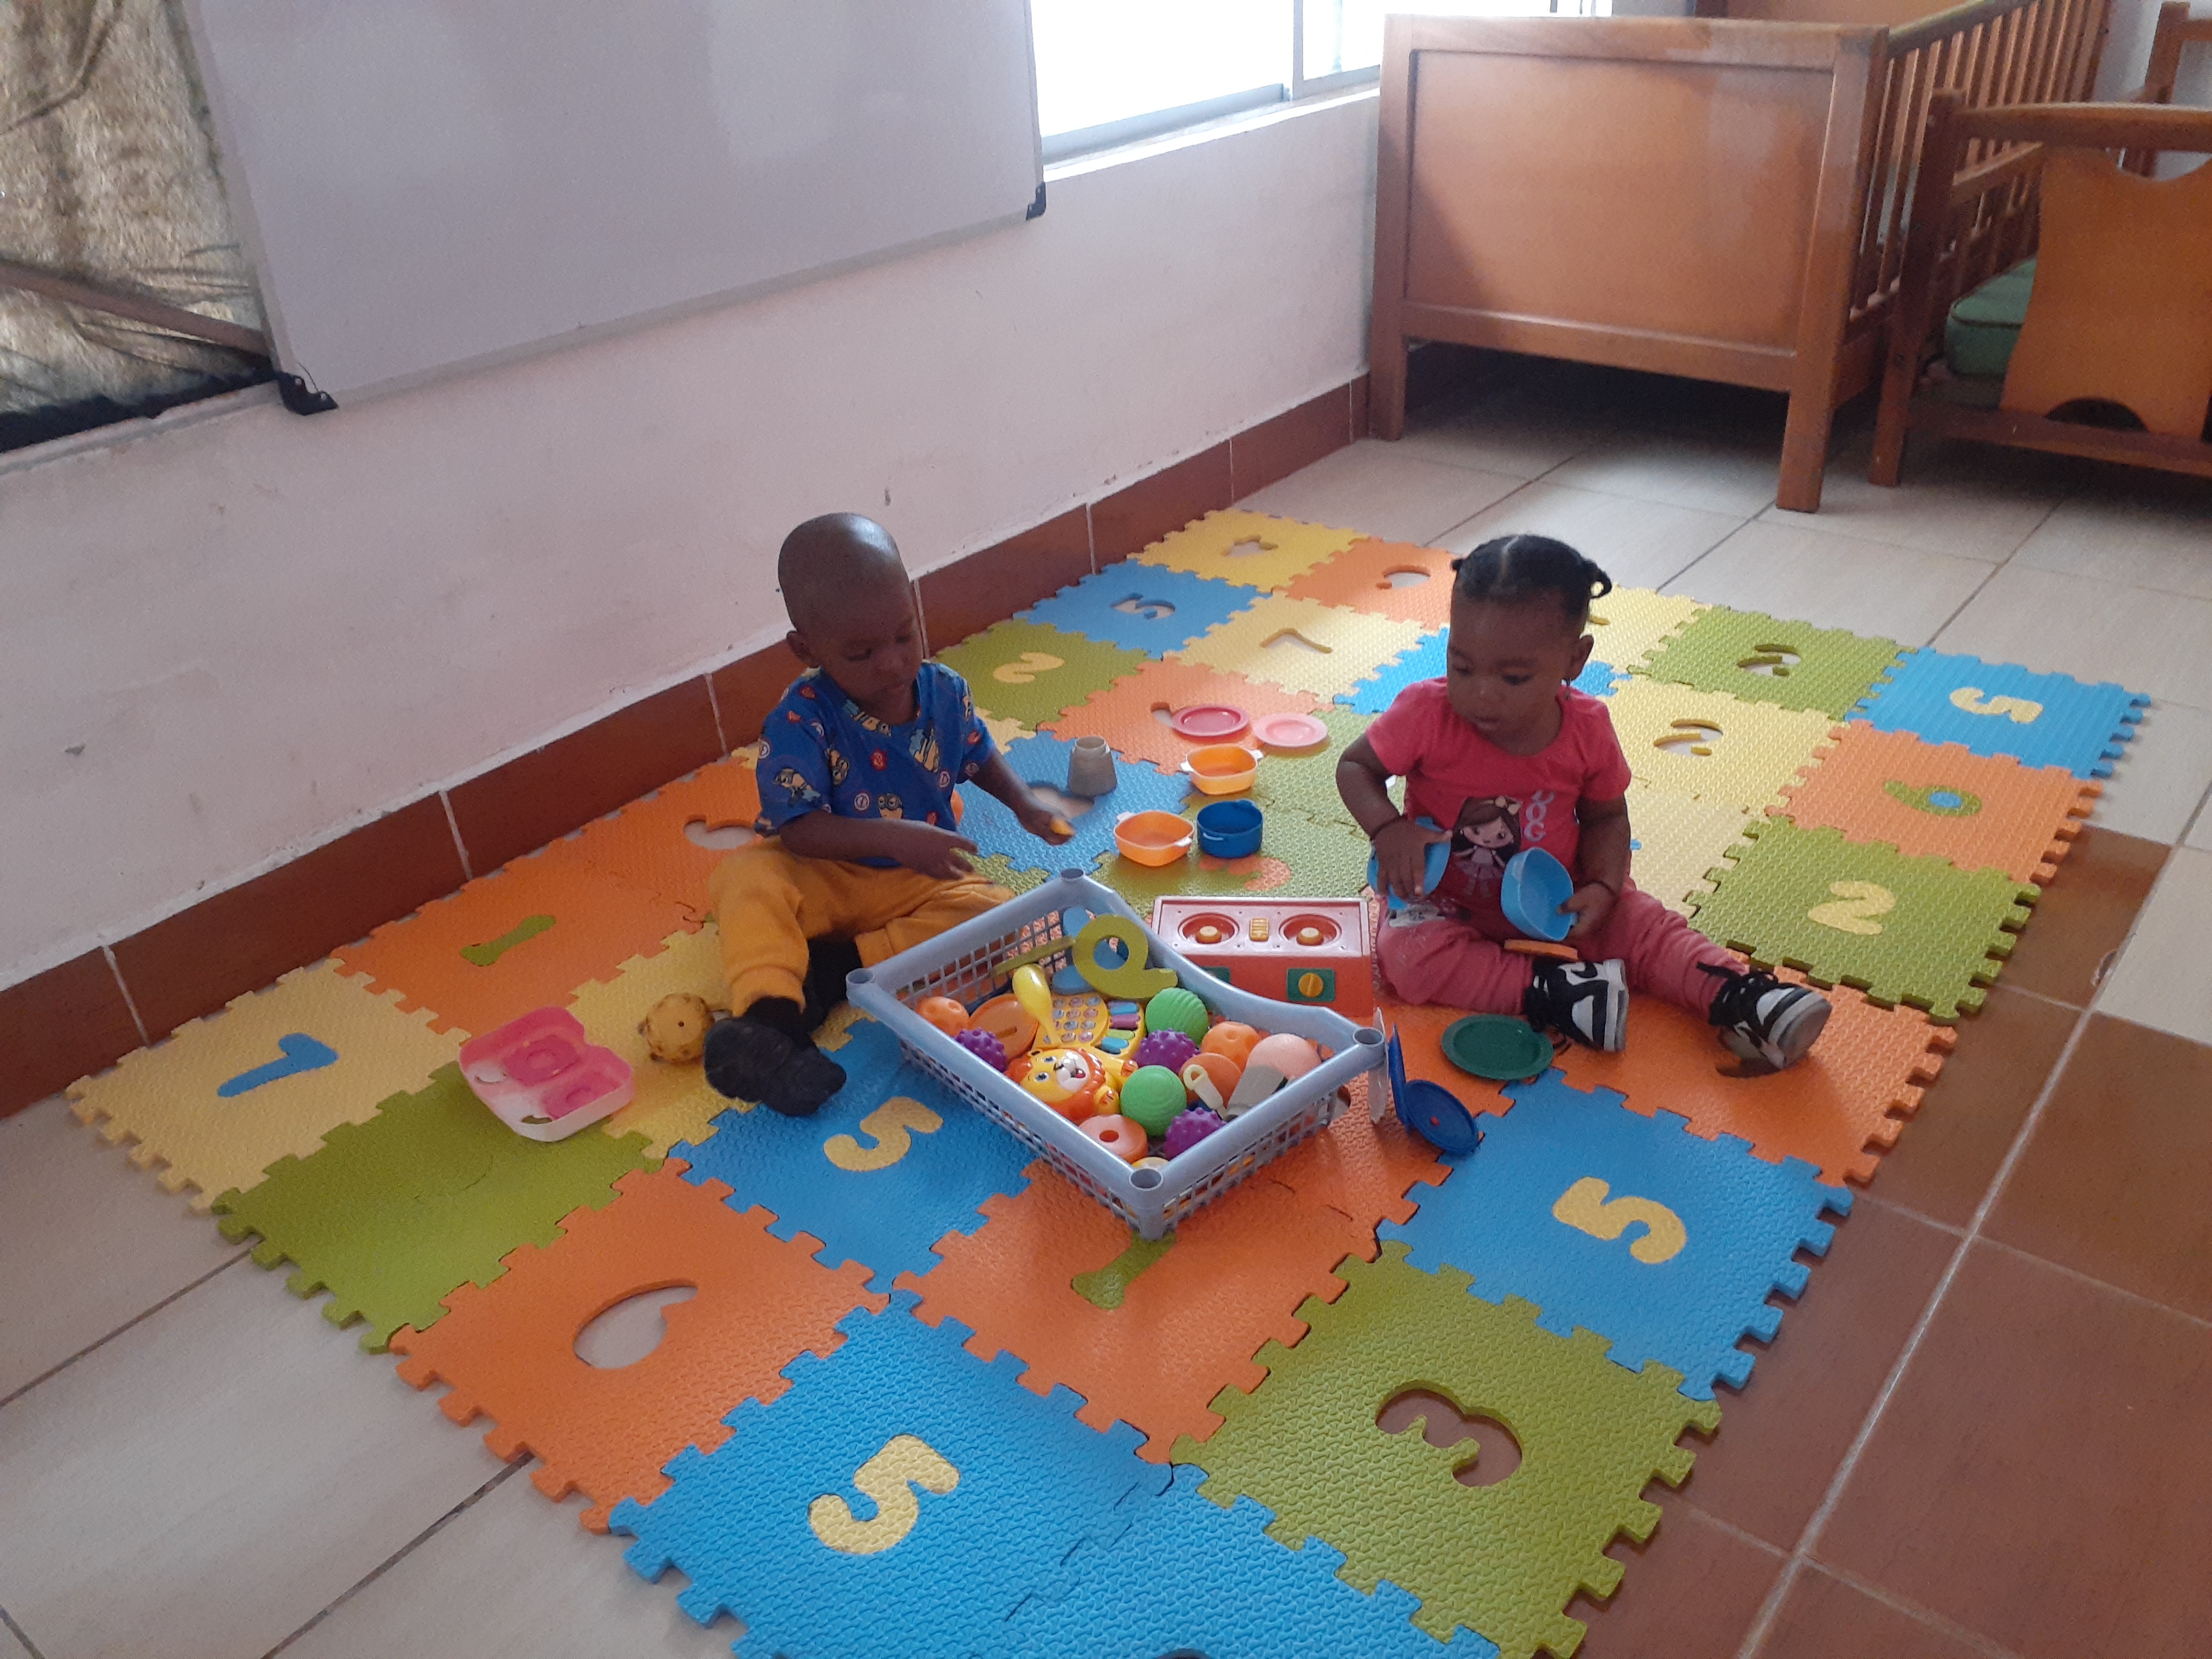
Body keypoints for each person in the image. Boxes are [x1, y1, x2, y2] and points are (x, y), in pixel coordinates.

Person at [1335, 533, 1830, 1068]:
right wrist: (1388, 829)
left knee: (1643, 927)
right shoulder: (1425, 713)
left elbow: (1607, 817)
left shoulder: (1587, 728)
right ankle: (1560, 992)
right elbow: (1356, 767)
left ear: (1575, 659)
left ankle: (1743, 996)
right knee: (1407, 961)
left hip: (1556, 899)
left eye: (1514, 677)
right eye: (1462, 667)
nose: (1482, 693)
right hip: (1442, 899)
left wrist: (1603, 886)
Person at [702, 513, 1073, 1115]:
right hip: (825, 871)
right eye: (861, 653)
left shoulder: (944, 691)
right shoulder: (800, 718)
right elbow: (798, 830)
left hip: (915, 880)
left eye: (905, 636)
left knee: (999, 913)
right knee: (745, 878)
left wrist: (1025, 803)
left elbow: (977, 752)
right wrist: (894, 837)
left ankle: (835, 970)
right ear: (807, 650)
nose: (894, 664)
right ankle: (771, 1022)